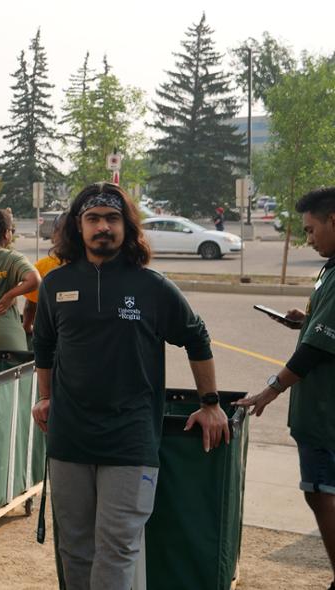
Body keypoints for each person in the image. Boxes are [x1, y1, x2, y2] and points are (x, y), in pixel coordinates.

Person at [32, 182, 230, 590]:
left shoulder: (152, 286)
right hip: (70, 437)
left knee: (117, 548)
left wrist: (209, 402)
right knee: (74, 548)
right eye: (93, 219)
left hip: (131, 438)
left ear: (127, 227)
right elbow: (45, 346)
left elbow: (197, 337)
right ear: (77, 226)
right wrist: (46, 397)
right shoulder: (54, 284)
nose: (102, 227)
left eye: (112, 218)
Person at [237, 186, 335, 590]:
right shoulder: (329, 268)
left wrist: (269, 390)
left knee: (321, 493)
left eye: (311, 229)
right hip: (320, 410)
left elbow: (315, 348)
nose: (307, 238)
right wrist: (306, 318)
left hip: (327, 414)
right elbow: (321, 327)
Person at [0, 209, 40, 351]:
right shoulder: (12, 258)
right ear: (6, 233)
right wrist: (10, 295)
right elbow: (34, 280)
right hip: (7, 341)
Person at [22, 212, 66, 337]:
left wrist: (26, 327)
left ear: (55, 235)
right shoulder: (92, 265)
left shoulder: (41, 266)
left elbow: (31, 305)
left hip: (49, 336)